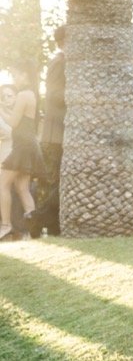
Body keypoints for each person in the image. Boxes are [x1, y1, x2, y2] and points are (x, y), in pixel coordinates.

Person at [28, 26, 64, 237]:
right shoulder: (59, 62)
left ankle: (52, 224)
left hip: (59, 133)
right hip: (55, 134)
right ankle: (38, 219)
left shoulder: (62, 61)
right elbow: (53, 94)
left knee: (57, 182)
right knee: (53, 183)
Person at [0, 72, 44, 241]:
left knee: (2, 184)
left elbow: (12, 123)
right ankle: (34, 230)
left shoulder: (23, 95)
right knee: (22, 187)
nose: (15, 77)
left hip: (21, 147)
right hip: (28, 146)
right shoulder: (31, 95)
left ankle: (5, 225)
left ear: (25, 76)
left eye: (18, 75)